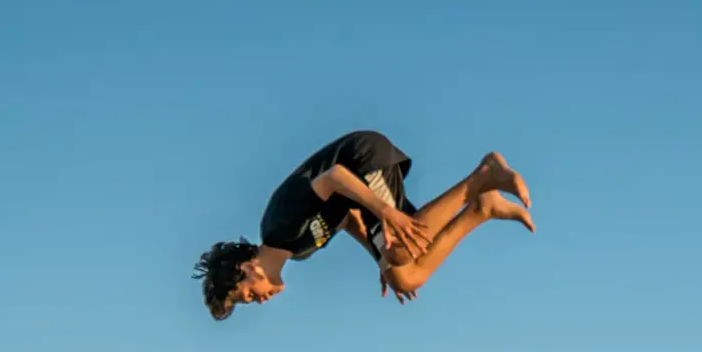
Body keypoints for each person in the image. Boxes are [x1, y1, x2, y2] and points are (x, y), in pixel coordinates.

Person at [194, 130, 534, 320]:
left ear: (247, 268)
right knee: (403, 276)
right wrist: (381, 262)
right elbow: (346, 218)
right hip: (359, 195)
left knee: (400, 251)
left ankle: (483, 176)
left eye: (249, 295)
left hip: (361, 159)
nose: (260, 300)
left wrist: (386, 213)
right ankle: (482, 209)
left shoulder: (280, 223)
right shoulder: (297, 250)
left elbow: (334, 177)